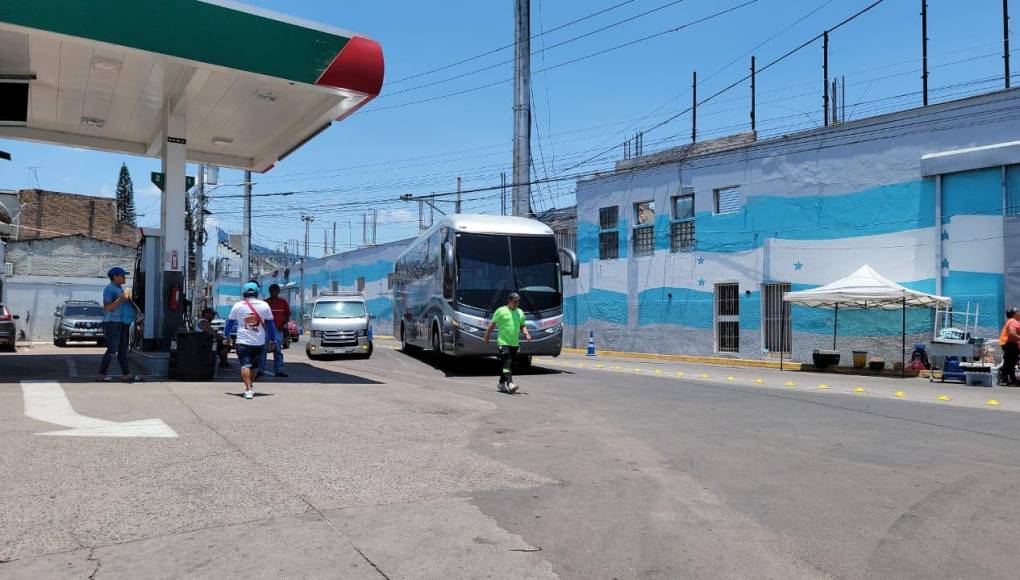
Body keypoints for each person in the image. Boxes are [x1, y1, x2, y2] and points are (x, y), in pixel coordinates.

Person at [225, 282, 277, 399]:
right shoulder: (264, 305)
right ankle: (249, 387)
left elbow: (230, 323)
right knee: (254, 367)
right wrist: (273, 340)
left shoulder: (238, 305)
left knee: (245, 365)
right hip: (258, 341)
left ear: (244, 293)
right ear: (257, 293)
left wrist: (225, 336)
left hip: (242, 341)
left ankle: (248, 388)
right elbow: (270, 325)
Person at [483, 292, 531, 393]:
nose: (517, 304)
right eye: (515, 302)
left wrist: (526, 334)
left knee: (507, 364)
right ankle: (510, 383)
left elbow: (522, 326)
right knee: (507, 361)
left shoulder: (520, 312)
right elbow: (492, 325)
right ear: (509, 301)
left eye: (518, 302)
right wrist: (487, 337)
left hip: (514, 343)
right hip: (503, 342)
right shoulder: (501, 311)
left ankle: (501, 383)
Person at [99, 266, 139, 382]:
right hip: (112, 323)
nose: (124, 278)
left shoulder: (119, 289)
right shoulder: (110, 289)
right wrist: (121, 299)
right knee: (112, 349)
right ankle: (101, 374)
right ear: (115, 277)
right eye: (122, 276)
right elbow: (107, 307)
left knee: (123, 350)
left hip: (120, 323)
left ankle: (126, 374)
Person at [260, 283, 290, 377]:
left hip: (278, 330)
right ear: (269, 291)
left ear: (278, 291)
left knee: (277, 350)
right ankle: (261, 370)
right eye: (272, 291)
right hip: (266, 330)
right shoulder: (265, 303)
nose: (274, 293)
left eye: (275, 291)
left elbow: (287, 315)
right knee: (263, 350)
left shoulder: (283, 302)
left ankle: (279, 371)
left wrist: (283, 324)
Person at [998, 307, 1020, 386]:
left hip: (1009, 343)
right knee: (1009, 363)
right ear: (1015, 314)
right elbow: (1012, 333)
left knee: (1011, 363)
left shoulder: (1013, 321)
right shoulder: (1013, 321)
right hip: (1009, 343)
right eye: (1018, 312)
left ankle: (1011, 380)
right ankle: (1004, 379)